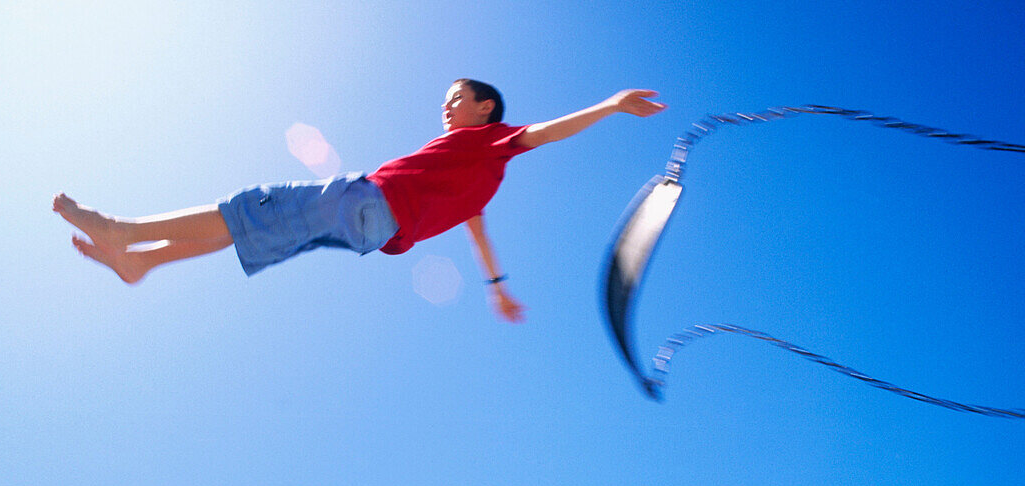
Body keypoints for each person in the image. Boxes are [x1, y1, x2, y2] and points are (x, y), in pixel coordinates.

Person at [54, 79, 665, 322]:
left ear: (486, 109)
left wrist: (610, 107)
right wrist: (496, 285)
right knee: (263, 228)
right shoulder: (478, 174)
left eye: (459, 98)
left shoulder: (491, 141)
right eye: (446, 99)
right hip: (371, 235)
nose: (447, 106)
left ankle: (122, 229)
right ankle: (145, 261)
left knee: (257, 203)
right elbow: (476, 229)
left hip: (367, 205)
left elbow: (542, 133)